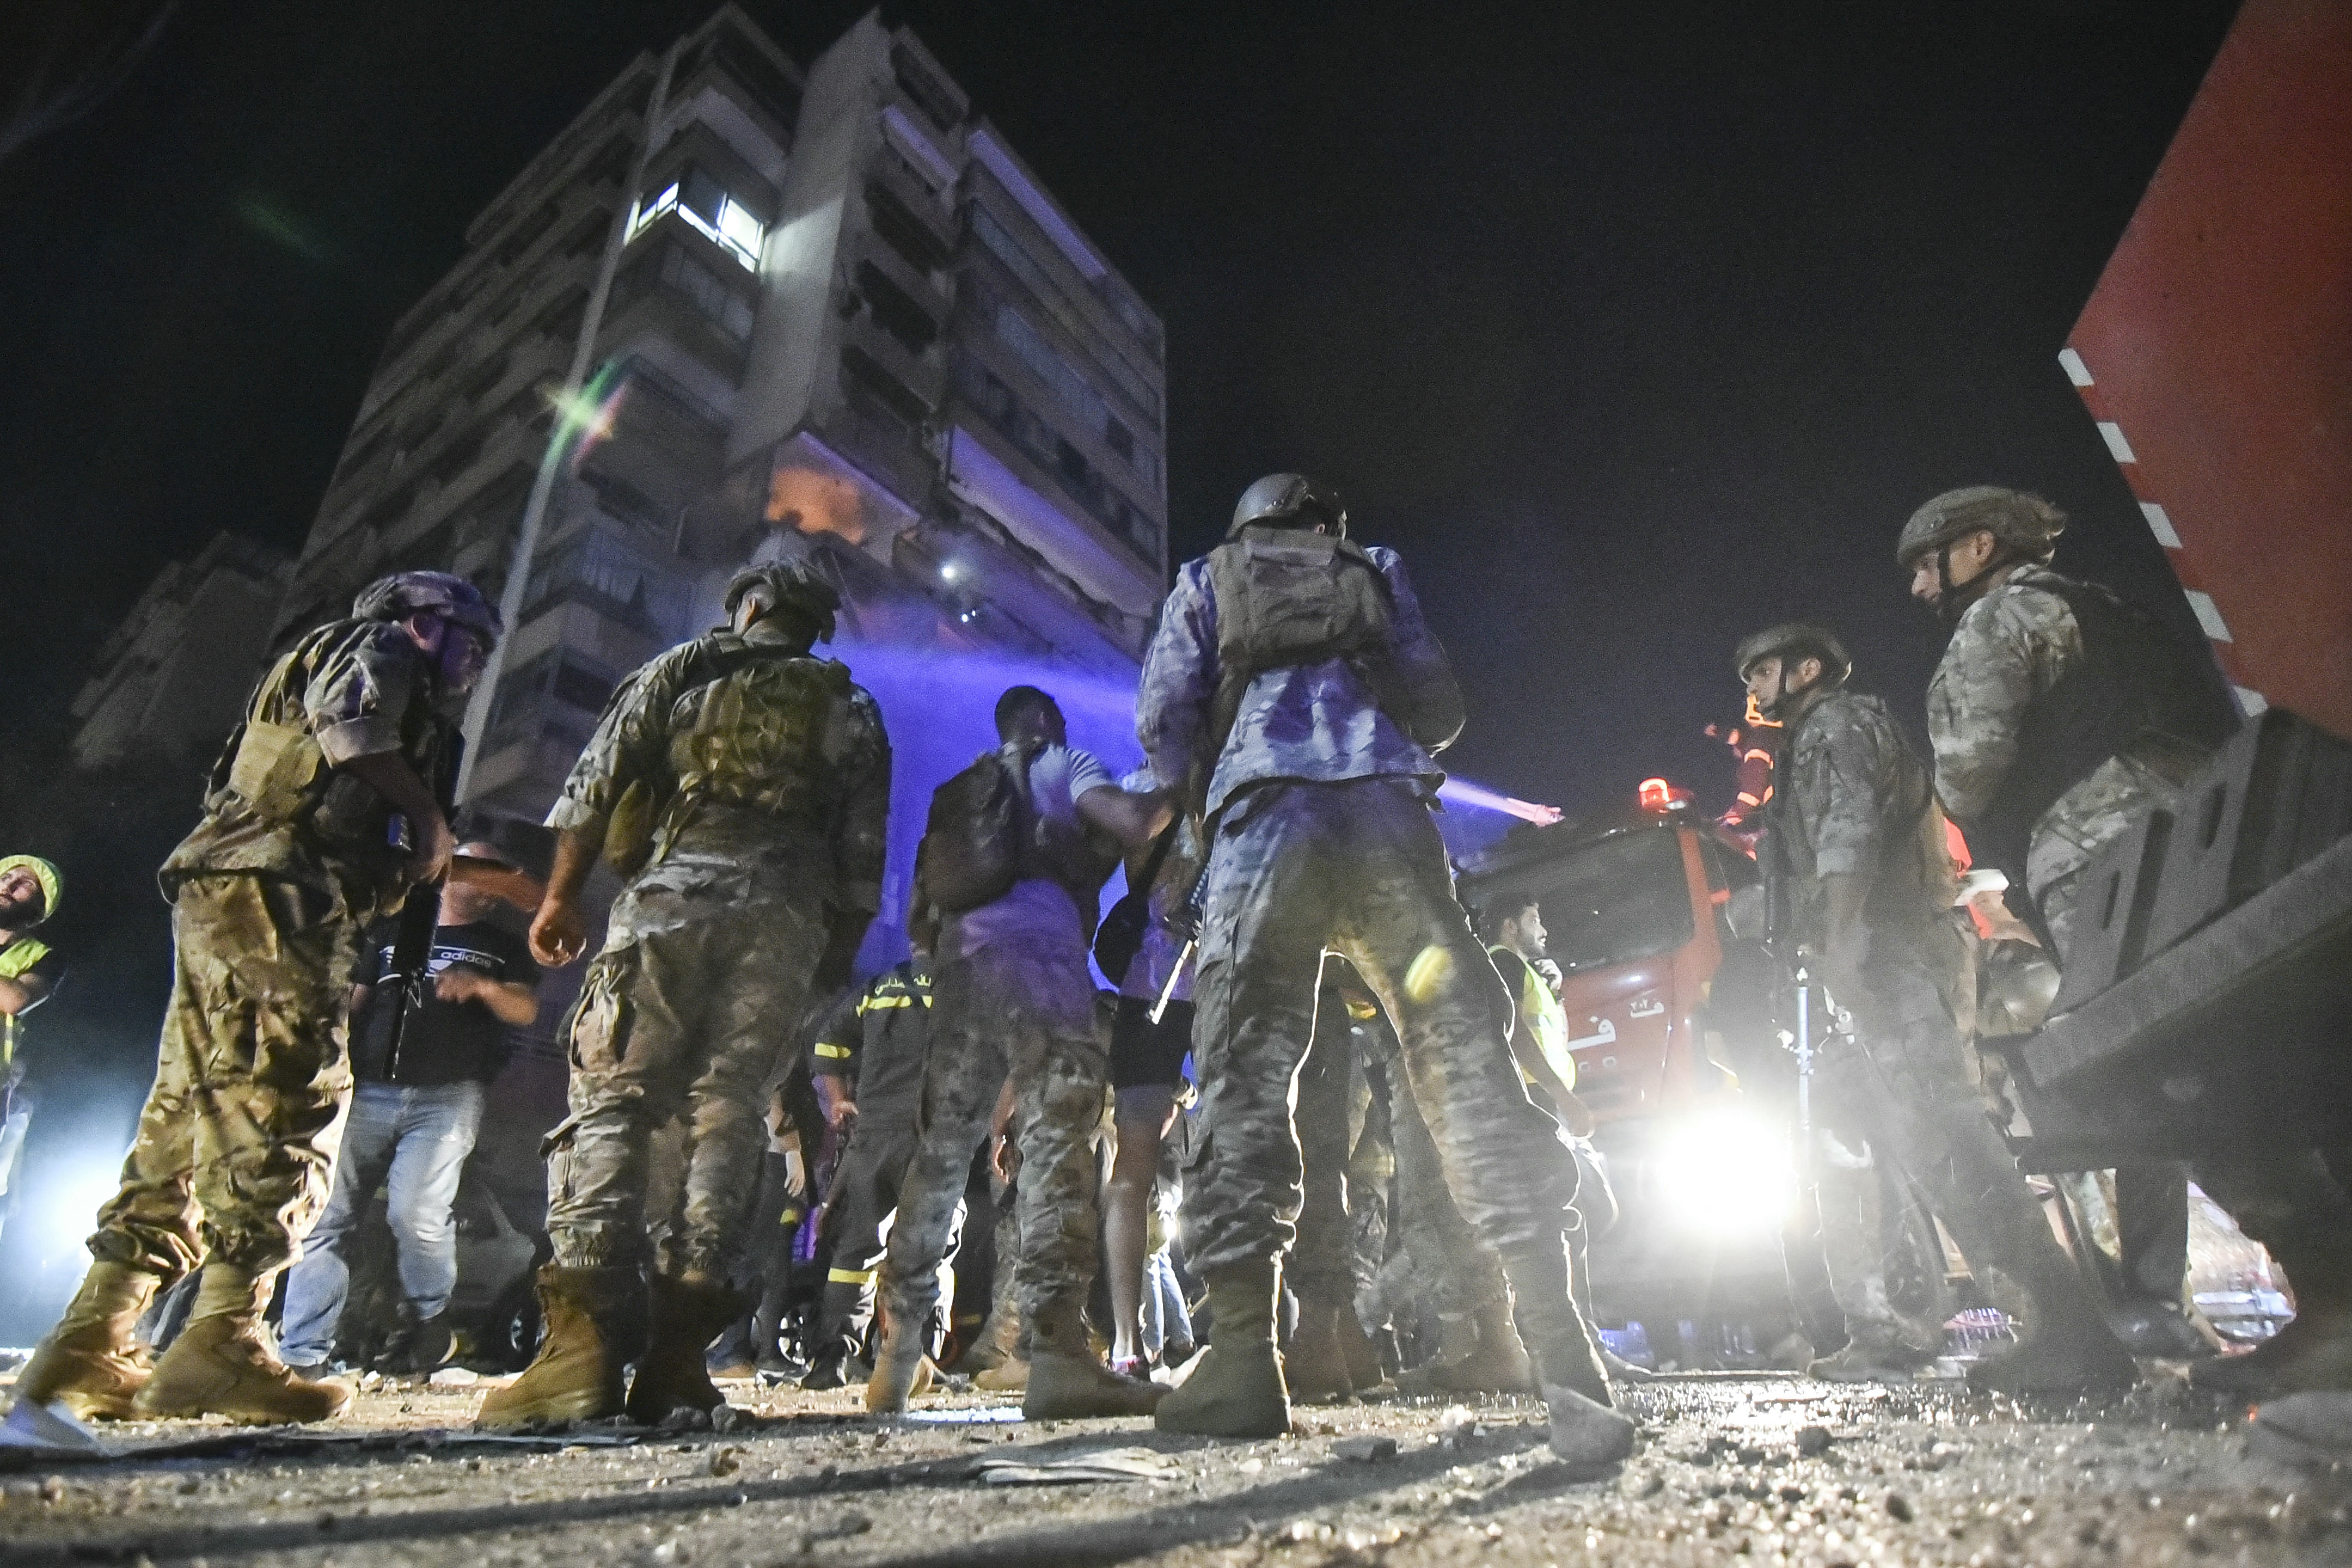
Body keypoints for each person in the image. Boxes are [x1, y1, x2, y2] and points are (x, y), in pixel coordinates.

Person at [1137, 472, 1633, 1465]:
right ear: (1328, 526)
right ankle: (1566, 1352)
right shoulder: (1379, 569)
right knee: (1467, 1064)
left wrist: (1216, 780)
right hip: (1389, 827)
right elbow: (1439, 708)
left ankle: (1242, 1359)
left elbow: (1163, 721)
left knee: (1246, 1070)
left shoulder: (1207, 575)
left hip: (1263, 827)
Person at [13, 571, 499, 1425]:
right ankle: (224, 1339)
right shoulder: (383, 647)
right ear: (424, 624)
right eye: (472, 641)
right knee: (290, 1096)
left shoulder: (319, 658)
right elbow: (353, 733)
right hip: (284, 890)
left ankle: (93, 1336)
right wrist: (430, 821)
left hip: (234, 886)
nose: (477, 663)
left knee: (188, 1112)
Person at [1901, 486, 2352, 1395]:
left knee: (2183, 1070)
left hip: (2107, 865)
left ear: (1978, 546)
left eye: (1926, 563)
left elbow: (1967, 775)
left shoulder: (1997, 622)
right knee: (2277, 1049)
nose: (1917, 588)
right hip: (2214, 838)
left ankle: (2334, 1307)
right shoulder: (2111, 609)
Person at [480, 560, 889, 1429]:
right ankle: (676, 1362)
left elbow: (595, 785)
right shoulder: (854, 710)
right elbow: (862, 870)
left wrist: (558, 897)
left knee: (617, 1102)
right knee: (728, 1113)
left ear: (750, 605)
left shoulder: (688, 668)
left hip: (674, 902)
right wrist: (819, 973)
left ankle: (578, 1354)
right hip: (786, 926)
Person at [1736, 620, 2136, 1391]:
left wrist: (1844, 946)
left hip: (1890, 955)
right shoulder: (1809, 743)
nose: (1751, 688)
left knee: (1949, 1133)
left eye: (1762, 670)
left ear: (1806, 668)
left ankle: (2071, 1332)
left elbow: (1849, 841)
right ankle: (2032, 1327)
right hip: (1869, 962)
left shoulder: (1837, 727)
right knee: (1911, 1148)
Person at [865, 685, 1169, 1421]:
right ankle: (1059, 1352)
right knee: (1057, 1141)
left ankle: (896, 1362)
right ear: (1049, 725)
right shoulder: (1062, 763)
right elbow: (1133, 821)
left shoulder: (961, 793)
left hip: (962, 970)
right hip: (1043, 963)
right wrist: (1182, 781)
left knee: (938, 1153)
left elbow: (919, 923)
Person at [277, 841, 543, 1377]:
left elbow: (525, 1009)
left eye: (496, 879)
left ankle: (429, 1320)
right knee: (326, 1218)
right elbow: (354, 1001)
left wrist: (483, 987)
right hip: (367, 1089)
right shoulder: (394, 930)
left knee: (415, 1212)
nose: (488, 886)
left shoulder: (502, 946)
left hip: (447, 1097)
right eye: (478, 871)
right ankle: (302, 1354)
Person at [800, 948, 936, 1389]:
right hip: (932, 1135)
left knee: (854, 1252)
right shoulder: (963, 986)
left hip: (872, 1134)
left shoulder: (878, 987)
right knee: (930, 1248)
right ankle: (912, 1357)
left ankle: (830, 1361)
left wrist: (839, 1101)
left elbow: (825, 1046)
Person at [1102, 777, 1201, 1379]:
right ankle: (1127, 1340)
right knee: (1133, 1164)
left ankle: (1128, 1343)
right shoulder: (1161, 788)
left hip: (1160, 992)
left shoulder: (1152, 787)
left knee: (1133, 1169)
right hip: (1169, 991)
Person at [0, 855, 66, 1245]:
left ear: (40, 910)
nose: (7, 885)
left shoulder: (46, 958)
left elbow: (16, 997)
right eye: (6, 876)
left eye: (23, 883)